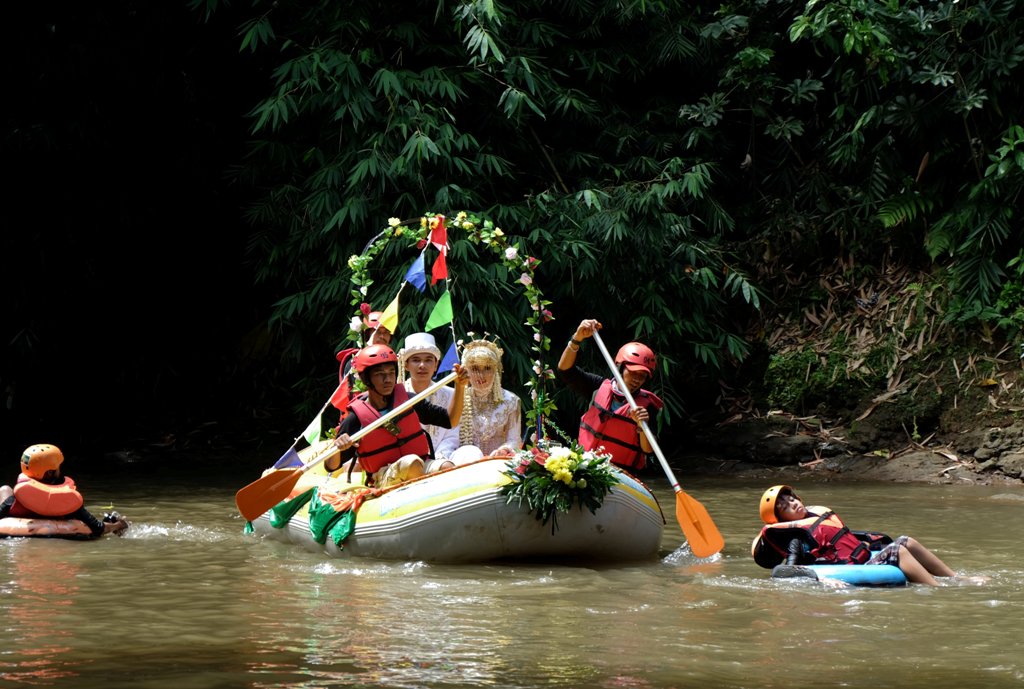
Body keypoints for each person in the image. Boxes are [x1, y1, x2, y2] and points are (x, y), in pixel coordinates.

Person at [751, 484, 982, 586]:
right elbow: (785, 571)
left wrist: (873, 540)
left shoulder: (816, 514)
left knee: (905, 540)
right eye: (784, 506)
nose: (792, 504)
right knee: (897, 550)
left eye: (791, 498)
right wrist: (821, 579)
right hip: (844, 567)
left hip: (859, 557)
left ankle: (956, 579)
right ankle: (937, 589)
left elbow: (843, 536)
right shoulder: (794, 537)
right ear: (780, 519)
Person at [325, 344, 469, 487]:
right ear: (366, 379)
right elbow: (330, 466)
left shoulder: (408, 399)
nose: (388, 379)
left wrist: (460, 386)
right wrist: (338, 448)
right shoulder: (355, 418)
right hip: (384, 474)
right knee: (411, 463)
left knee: (447, 466)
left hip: (420, 463)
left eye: (391, 373)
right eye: (380, 374)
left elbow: (451, 420)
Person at [556, 318, 662, 471]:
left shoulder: (646, 406)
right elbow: (565, 371)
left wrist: (641, 426)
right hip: (588, 465)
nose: (637, 379)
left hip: (623, 473)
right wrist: (576, 339)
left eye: (642, 375)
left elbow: (648, 450)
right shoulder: (597, 386)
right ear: (619, 368)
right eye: (633, 373)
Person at [0, 444, 129, 537]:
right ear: (50, 472)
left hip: (19, 522)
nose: (59, 470)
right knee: (5, 489)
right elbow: (98, 528)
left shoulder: (17, 498)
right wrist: (117, 525)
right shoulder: (66, 500)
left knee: (5, 489)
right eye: (58, 467)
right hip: (63, 523)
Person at [448, 338, 523, 465]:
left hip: (497, 465)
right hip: (463, 466)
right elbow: (449, 439)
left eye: (487, 368)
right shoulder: (457, 398)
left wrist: (504, 450)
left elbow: (514, 440)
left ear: (496, 370)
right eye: (475, 368)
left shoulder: (511, 401)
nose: (481, 375)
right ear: (466, 370)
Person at [398, 332, 460, 471]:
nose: (422, 365)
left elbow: (452, 435)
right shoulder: (397, 395)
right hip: (406, 460)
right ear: (406, 365)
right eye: (415, 360)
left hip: (444, 458)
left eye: (428, 360)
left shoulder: (451, 394)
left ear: (436, 364)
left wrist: (439, 458)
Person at [334, 307, 394, 420]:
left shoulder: (394, 360)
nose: (382, 336)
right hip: (361, 416)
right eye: (378, 332)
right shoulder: (354, 361)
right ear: (366, 334)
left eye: (386, 332)